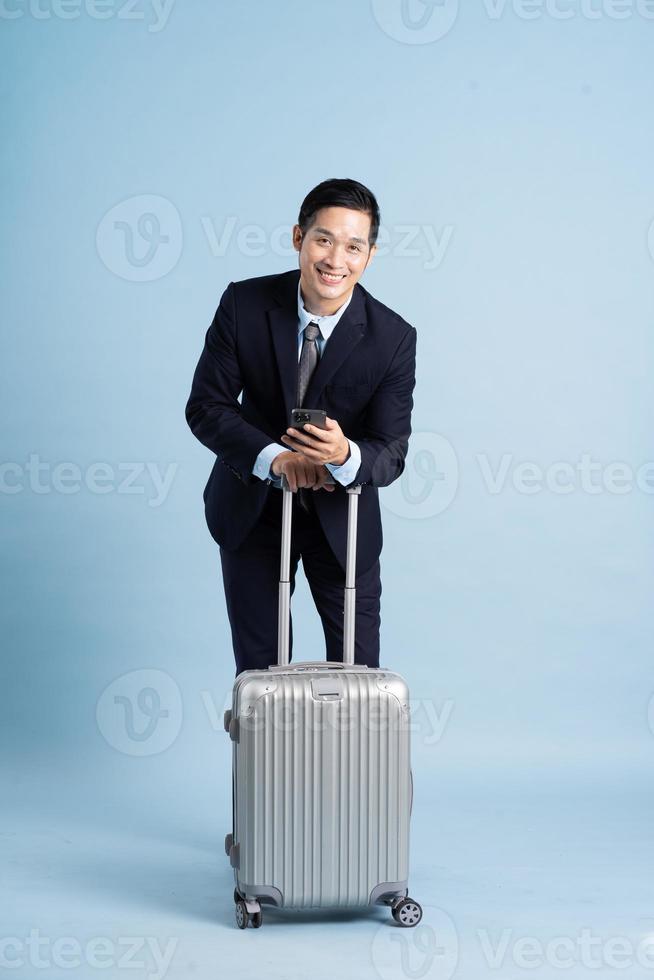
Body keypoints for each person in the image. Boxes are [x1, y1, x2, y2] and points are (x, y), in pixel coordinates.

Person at [186, 178, 417, 675]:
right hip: (254, 510)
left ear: (369, 256)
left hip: (344, 520)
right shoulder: (242, 305)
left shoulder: (393, 338)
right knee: (261, 674)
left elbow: (391, 450)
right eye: (324, 239)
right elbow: (207, 406)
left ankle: (356, 757)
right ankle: (268, 754)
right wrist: (276, 459)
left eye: (354, 246)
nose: (336, 259)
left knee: (359, 676)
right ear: (298, 238)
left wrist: (343, 455)